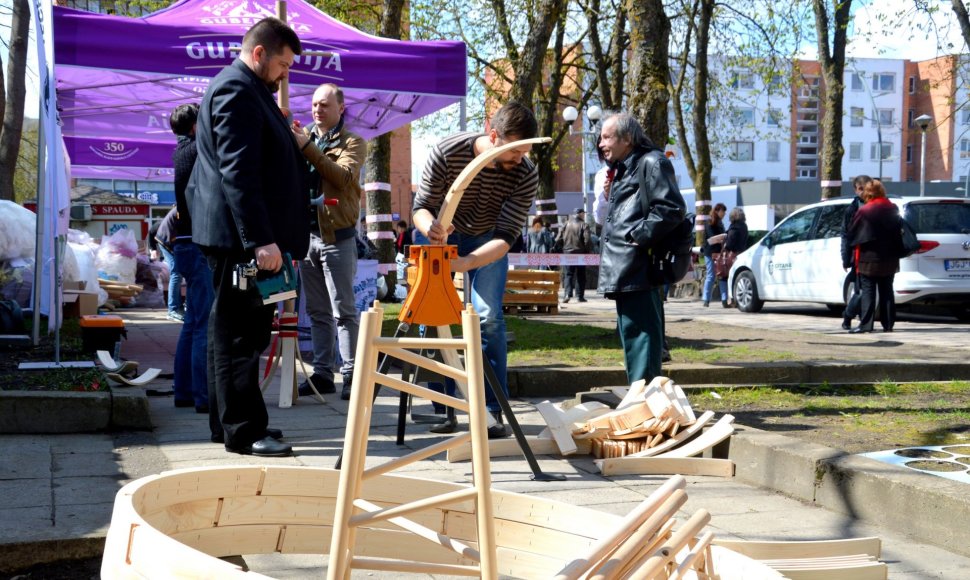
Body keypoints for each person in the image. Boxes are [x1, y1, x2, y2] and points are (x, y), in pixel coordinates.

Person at [186, 17, 306, 457]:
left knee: (236, 333)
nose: (285, 74)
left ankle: (232, 423)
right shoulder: (237, 89)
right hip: (243, 240)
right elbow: (239, 171)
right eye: (282, 64)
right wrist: (261, 239)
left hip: (243, 236)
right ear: (259, 54)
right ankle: (243, 429)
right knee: (241, 335)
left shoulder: (247, 88)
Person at [412, 100, 539, 438]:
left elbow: (506, 236)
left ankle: (492, 411)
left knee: (489, 317)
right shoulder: (446, 152)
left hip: (487, 240)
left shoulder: (526, 172)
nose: (519, 159)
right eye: (513, 151)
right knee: (435, 318)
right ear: (492, 134)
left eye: (524, 151)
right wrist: (431, 229)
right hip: (441, 234)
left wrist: (467, 263)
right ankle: (444, 406)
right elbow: (421, 207)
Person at [597, 111, 686, 385]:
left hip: (639, 268)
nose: (601, 144)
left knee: (643, 339)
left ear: (627, 138)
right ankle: (641, 402)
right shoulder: (625, 168)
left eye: (606, 137)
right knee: (634, 339)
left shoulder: (652, 162)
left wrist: (638, 236)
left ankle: (646, 404)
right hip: (626, 269)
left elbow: (671, 208)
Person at [290, 83, 367, 402]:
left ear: (340, 108)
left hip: (338, 237)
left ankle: (350, 373)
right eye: (314, 104)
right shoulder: (301, 136)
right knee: (318, 312)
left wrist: (306, 146)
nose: (317, 110)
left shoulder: (354, 142)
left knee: (344, 310)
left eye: (324, 105)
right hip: (307, 237)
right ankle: (323, 374)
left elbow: (342, 177)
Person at [169, 103, 214, 415]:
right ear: (196, 125)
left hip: (183, 244)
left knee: (190, 322)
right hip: (199, 244)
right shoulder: (199, 150)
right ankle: (204, 396)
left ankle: (183, 391)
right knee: (203, 324)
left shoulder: (179, 151)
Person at [847, 179, 899, 333]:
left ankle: (866, 325)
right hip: (890, 257)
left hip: (869, 258)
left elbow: (852, 233)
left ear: (868, 193)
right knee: (887, 291)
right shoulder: (892, 208)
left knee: (869, 292)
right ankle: (888, 324)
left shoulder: (864, 211)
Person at [841, 175, 872, 330]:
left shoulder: (873, 205)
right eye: (862, 188)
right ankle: (848, 316)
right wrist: (846, 258)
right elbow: (846, 235)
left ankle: (857, 318)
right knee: (860, 291)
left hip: (870, 256)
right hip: (859, 256)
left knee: (864, 291)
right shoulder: (852, 209)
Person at [149, 207, 185, 321]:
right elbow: (151, 233)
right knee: (177, 272)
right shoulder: (161, 224)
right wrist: (152, 249)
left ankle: (182, 306)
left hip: (176, 242)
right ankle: (173, 309)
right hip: (166, 242)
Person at [557, 207, 593, 302]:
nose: (584, 215)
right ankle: (579, 296)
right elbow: (587, 240)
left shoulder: (566, 224)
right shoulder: (584, 225)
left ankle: (567, 295)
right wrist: (587, 251)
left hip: (567, 253)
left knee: (568, 274)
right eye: (583, 213)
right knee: (581, 274)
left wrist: (563, 247)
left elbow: (558, 238)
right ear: (580, 214)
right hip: (580, 253)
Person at [701, 203, 728, 308]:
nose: (724, 213)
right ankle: (706, 300)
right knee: (711, 275)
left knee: (722, 275)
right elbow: (712, 237)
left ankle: (724, 300)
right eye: (723, 211)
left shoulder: (721, 223)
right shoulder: (709, 222)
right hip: (710, 252)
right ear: (717, 211)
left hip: (719, 252)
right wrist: (721, 238)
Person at [722, 207, 749, 308]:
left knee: (729, 277)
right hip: (742, 252)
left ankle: (731, 300)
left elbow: (730, 243)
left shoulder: (734, 227)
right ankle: (738, 299)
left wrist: (725, 244)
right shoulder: (744, 226)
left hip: (733, 254)